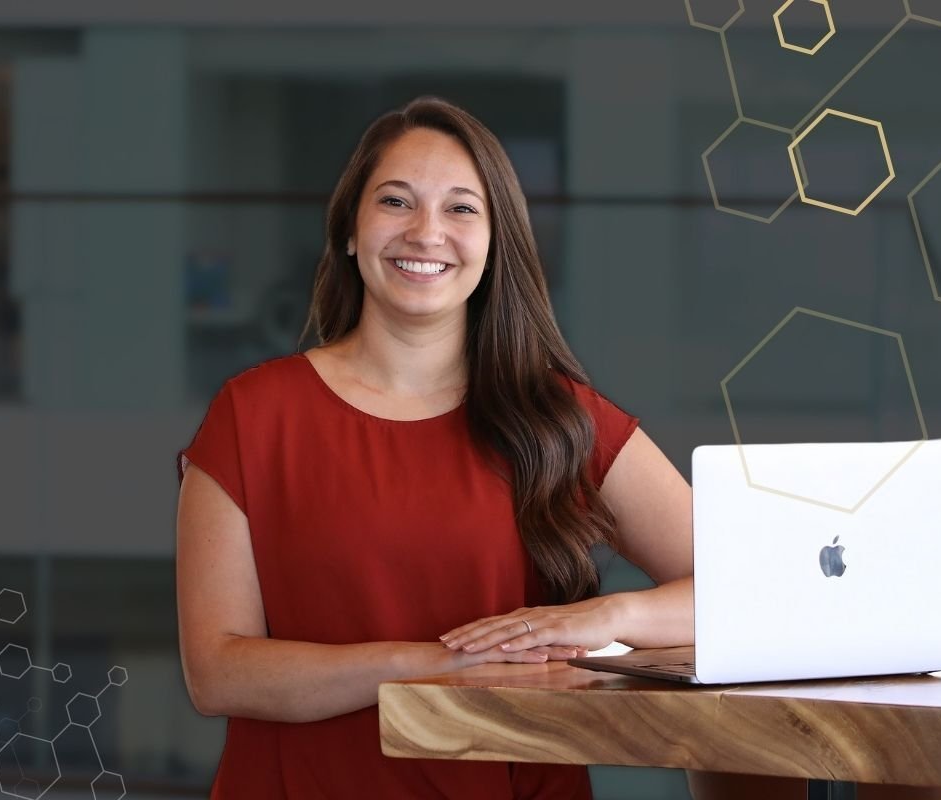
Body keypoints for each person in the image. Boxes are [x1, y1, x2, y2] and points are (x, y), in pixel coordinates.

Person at [174, 96, 693, 798]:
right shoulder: (252, 415)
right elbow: (217, 671)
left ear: (494, 240)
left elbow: (748, 594)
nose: (426, 232)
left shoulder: (559, 416)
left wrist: (605, 619)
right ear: (351, 231)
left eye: (460, 208)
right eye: (396, 201)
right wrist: (441, 664)